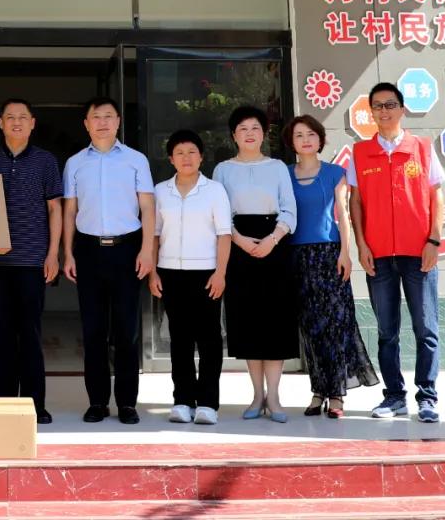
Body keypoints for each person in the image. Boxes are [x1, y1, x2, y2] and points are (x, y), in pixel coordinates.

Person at [349, 82, 445, 423]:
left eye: (390, 104)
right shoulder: (360, 153)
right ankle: (393, 397)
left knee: (426, 329)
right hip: (378, 256)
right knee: (387, 332)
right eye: (377, 106)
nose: (384, 111)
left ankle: (427, 397)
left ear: (402, 109)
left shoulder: (422, 148)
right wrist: (361, 245)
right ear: (371, 113)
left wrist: (434, 240)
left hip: (419, 253)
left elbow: (436, 196)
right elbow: (355, 202)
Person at [62, 97, 155, 425]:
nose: (102, 122)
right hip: (88, 251)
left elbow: (148, 207)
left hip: (127, 249)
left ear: (118, 122)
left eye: (108, 116)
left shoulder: (136, 160)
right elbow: (69, 211)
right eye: (96, 117)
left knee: (127, 330)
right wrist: (67, 252)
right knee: (93, 330)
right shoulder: (74, 163)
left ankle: (127, 403)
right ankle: (98, 402)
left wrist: (147, 250)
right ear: (86, 124)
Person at [0, 99, 63, 424]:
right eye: (10, 117)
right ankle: (4, 404)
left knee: (31, 334)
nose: (17, 122)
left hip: (33, 261)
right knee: (2, 334)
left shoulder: (46, 161)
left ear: (33, 122)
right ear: (1, 123)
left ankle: (35, 405)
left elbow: (55, 209)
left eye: (23, 117)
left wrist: (52, 254)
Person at [284, 115, 379, 420]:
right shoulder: (283, 175)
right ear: (291, 142)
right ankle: (318, 391)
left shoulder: (336, 172)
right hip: (297, 255)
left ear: (320, 139)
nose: (306, 140)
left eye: (311, 134)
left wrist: (345, 253)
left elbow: (343, 214)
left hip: (329, 254)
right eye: (299, 135)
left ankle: (336, 394)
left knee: (336, 324)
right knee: (311, 327)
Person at [212, 105, 297, 424]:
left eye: (255, 128)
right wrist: (240, 240)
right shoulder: (223, 170)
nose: (249, 134)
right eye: (243, 129)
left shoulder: (277, 167)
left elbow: (289, 209)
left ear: (264, 134)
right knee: (248, 321)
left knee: (275, 322)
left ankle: (274, 396)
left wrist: (273, 239)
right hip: (238, 246)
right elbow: (219, 213)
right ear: (234, 136)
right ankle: (256, 395)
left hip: (275, 246)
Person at [149, 129, 231, 425]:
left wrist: (220, 273)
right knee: (180, 339)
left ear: (201, 157)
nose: (186, 158)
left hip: (207, 273)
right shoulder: (160, 191)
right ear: (171, 159)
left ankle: (208, 403)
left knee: (209, 339)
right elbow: (154, 235)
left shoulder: (214, 191)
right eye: (179, 153)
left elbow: (224, 234)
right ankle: (183, 400)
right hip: (171, 273)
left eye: (192, 152)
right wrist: (153, 272)